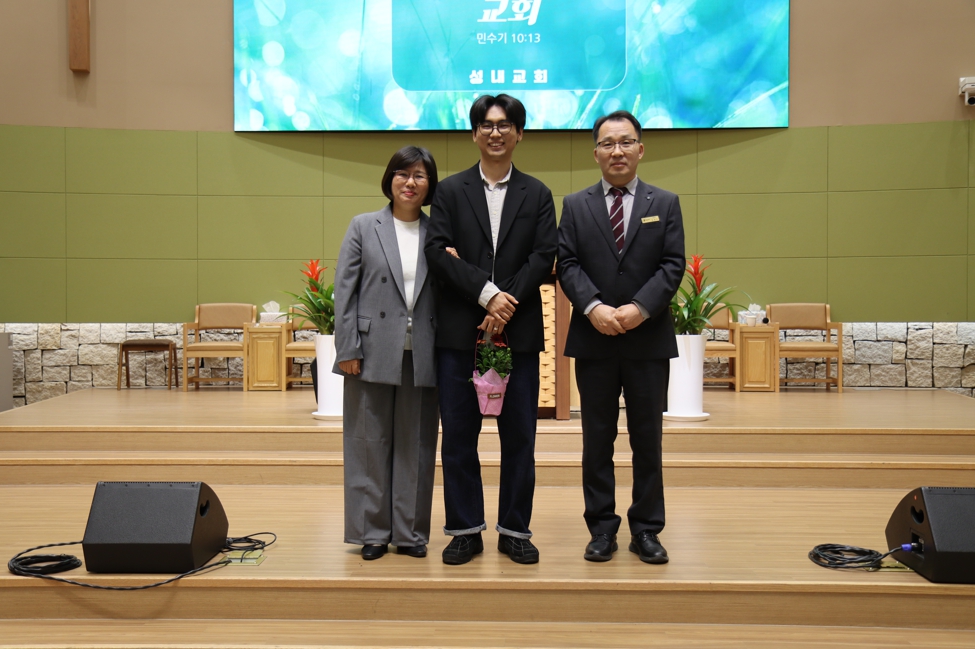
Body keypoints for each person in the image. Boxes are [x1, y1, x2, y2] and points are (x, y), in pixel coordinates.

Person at [424, 94, 557, 565]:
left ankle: (515, 530)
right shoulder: (449, 191)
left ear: (519, 133)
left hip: (517, 335)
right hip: (460, 336)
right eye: (486, 124)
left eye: (504, 125)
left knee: (519, 438)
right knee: (459, 437)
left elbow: (543, 256)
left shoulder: (537, 193)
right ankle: (465, 530)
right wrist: (486, 294)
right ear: (474, 133)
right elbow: (437, 252)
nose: (495, 132)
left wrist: (503, 303)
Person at [556, 111, 685, 564]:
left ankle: (646, 529)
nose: (617, 151)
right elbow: (567, 264)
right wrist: (593, 307)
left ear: (640, 149)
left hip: (647, 341)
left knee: (647, 440)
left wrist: (639, 308)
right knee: (597, 440)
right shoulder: (575, 205)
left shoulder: (664, 202)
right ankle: (602, 529)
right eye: (608, 143)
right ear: (595, 152)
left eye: (626, 142)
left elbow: (672, 265)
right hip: (594, 339)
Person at [332, 146, 441, 560]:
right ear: (390, 178)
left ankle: (410, 533)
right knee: (368, 441)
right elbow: (345, 291)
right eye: (402, 173)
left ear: (430, 184)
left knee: (417, 443)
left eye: (420, 175)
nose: (410, 182)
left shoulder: (439, 231)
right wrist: (347, 346)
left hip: (423, 351)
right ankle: (372, 532)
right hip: (370, 349)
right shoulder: (364, 226)